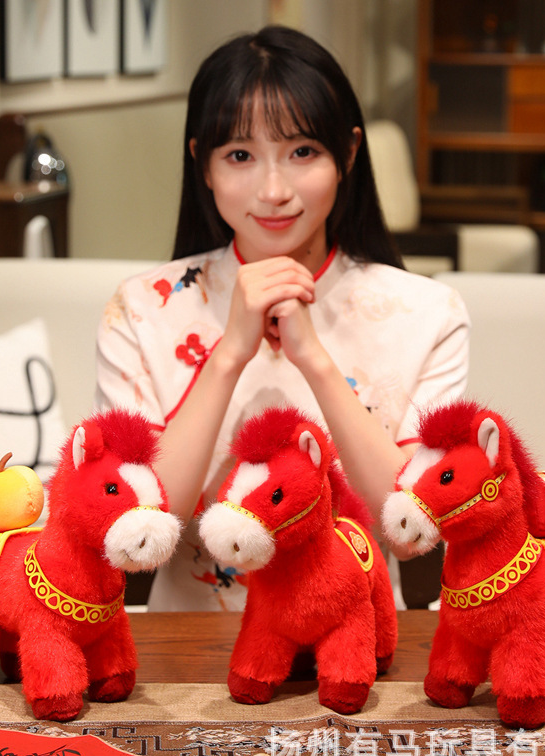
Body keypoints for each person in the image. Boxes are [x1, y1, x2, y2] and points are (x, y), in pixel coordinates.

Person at [95, 25, 469, 611]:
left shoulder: (427, 313)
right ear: (203, 164)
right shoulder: (141, 308)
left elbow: (412, 532)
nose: (273, 190)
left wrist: (314, 360)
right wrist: (229, 355)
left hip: (356, 632)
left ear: (348, 153)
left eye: (302, 152)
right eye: (240, 155)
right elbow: (139, 533)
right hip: (190, 642)